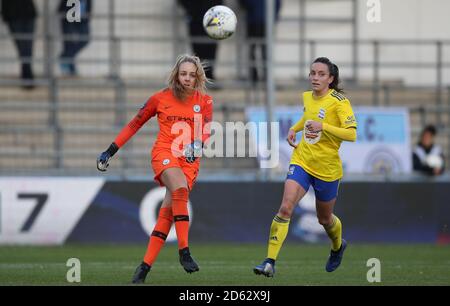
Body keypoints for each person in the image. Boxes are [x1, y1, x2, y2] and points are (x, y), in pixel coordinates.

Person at [96, 54, 213, 284]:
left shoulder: (205, 101)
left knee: (168, 212)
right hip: (165, 154)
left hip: (189, 162)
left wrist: (198, 144)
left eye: (192, 74)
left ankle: (143, 269)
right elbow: (134, 124)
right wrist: (111, 150)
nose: (187, 78)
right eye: (183, 74)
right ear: (176, 75)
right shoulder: (160, 98)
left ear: (197, 76)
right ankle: (184, 252)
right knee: (179, 190)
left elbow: (205, 130)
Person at [254, 57, 357, 277]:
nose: (315, 77)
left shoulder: (339, 102)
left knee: (325, 219)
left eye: (321, 74)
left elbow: (351, 133)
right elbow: (307, 117)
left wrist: (324, 126)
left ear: (331, 79)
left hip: (327, 169)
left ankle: (338, 246)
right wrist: (294, 128)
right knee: (285, 208)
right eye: (312, 73)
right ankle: (269, 261)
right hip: (302, 160)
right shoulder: (308, 97)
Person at [177, 0, 222, 83]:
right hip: (196, 18)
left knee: (211, 47)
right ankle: (199, 75)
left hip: (212, 18)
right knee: (197, 47)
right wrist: (190, 10)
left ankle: (209, 75)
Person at [238, 0, 282, 85]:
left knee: (256, 49)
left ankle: (257, 77)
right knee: (259, 49)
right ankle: (260, 76)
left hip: (256, 20)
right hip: (259, 20)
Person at [1, 0, 37, 89]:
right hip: (13, 14)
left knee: (27, 47)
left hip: (27, 13)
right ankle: (27, 78)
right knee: (23, 47)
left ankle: (27, 78)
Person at [58, 0, 92, 76]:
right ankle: (71, 71)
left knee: (85, 39)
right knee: (68, 43)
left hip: (83, 15)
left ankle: (65, 56)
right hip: (69, 13)